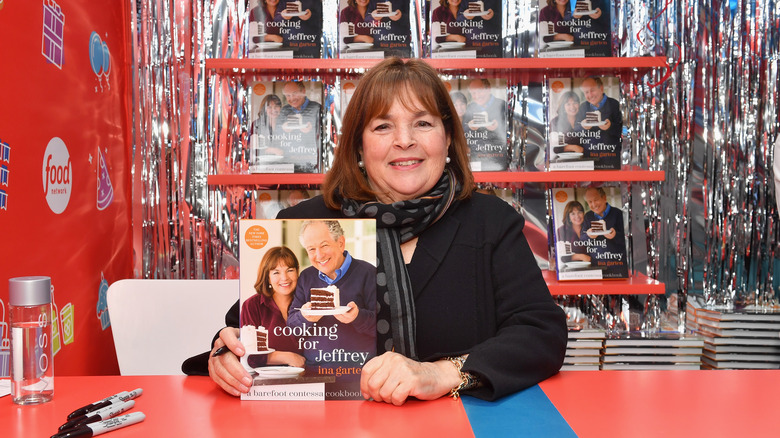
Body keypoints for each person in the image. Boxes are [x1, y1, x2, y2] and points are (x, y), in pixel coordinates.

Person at [206, 57, 567, 403]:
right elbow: (244, 329)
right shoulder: (305, 223)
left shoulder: (491, 222)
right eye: (383, 126)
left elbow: (541, 333)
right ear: (359, 145)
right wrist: (225, 352)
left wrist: (443, 373)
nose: (404, 140)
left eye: (423, 123)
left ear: (447, 138)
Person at [286, 220, 376, 365]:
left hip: (357, 371)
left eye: (324, 245)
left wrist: (357, 317)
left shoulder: (368, 273)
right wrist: (305, 317)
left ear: (341, 243)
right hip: (314, 372)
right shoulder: (306, 277)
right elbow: (291, 329)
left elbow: (384, 327)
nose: (319, 255)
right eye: (311, 249)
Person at [240, 246, 305, 368]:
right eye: (276, 272)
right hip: (267, 381)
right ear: (267, 277)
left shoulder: (307, 303)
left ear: (297, 272)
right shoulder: (252, 306)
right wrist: (288, 357)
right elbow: (249, 356)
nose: (285, 278)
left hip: (311, 378)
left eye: (290, 270)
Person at [576, 76, 622, 168]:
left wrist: (610, 127)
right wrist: (582, 126)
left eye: (592, 90)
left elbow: (623, 131)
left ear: (601, 88)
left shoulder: (615, 105)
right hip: (588, 159)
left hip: (611, 159)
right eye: (586, 92)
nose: (590, 95)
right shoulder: (583, 107)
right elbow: (575, 130)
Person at [582, 187, 628, 276]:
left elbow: (627, 239)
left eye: (596, 200)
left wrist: (615, 235)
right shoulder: (588, 216)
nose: (594, 204)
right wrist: (588, 235)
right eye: (590, 202)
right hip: (595, 266)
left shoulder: (618, 213)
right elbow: (582, 238)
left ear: (604, 198)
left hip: (617, 266)